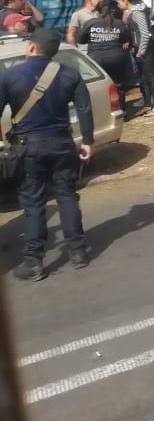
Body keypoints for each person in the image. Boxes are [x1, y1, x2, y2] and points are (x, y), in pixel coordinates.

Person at [0, 28, 94, 281]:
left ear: (31, 47)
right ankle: (78, 252)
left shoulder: (9, 76)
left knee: (33, 201)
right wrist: (87, 141)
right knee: (66, 195)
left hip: (28, 147)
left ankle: (34, 262)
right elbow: (84, 109)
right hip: (62, 144)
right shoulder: (70, 73)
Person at [116, 0, 154, 117]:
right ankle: (147, 105)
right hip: (138, 48)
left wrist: (141, 50)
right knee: (143, 79)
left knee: (151, 77)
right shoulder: (131, 12)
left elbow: (145, 34)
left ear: (126, 1)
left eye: (119, 1)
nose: (118, 4)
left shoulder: (138, 13)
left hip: (144, 49)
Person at [77, 3, 131, 109]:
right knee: (118, 85)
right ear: (113, 12)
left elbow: (80, 40)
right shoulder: (119, 24)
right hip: (116, 58)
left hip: (96, 60)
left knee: (99, 86)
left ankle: (104, 111)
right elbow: (125, 39)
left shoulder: (90, 23)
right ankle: (121, 111)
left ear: (97, 12)